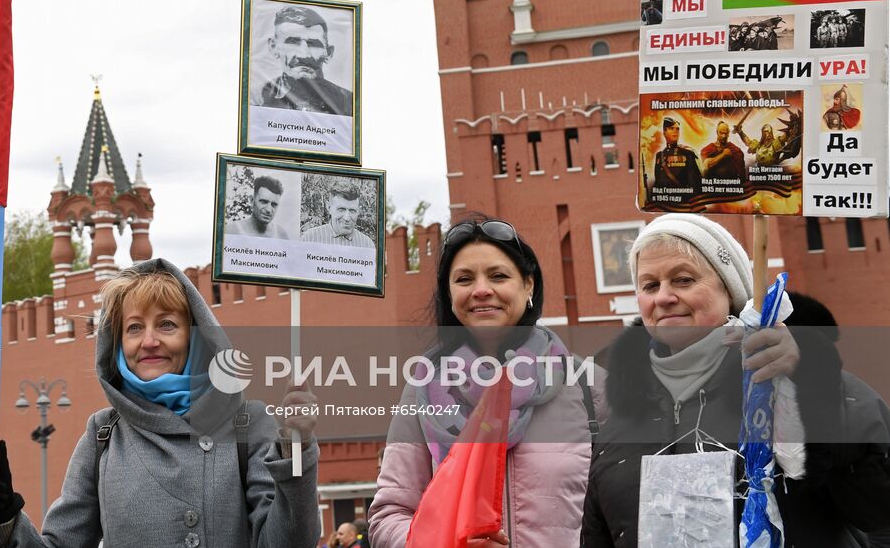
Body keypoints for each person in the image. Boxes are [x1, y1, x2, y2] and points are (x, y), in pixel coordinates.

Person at [0, 258, 321, 548]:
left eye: (166, 325)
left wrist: (296, 447)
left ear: (196, 337)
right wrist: (5, 516)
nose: (149, 341)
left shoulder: (246, 423)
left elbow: (289, 542)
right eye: (134, 328)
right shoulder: (103, 435)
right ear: (118, 343)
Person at [581, 214, 890, 547]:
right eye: (650, 286)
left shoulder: (791, 383)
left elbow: (877, 510)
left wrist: (811, 383)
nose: (663, 297)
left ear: (729, 290)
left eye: (683, 280)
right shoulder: (617, 423)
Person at [370, 218, 604, 547]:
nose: (481, 290)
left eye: (498, 276)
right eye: (464, 279)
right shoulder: (422, 391)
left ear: (529, 285)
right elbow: (389, 515)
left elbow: (622, 509)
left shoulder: (588, 386)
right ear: (449, 294)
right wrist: (444, 544)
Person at [257, 5, 354, 116]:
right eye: (293, 42)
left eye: (314, 44)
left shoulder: (349, 103)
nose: (304, 55)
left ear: (328, 53)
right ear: (273, 47)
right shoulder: (256, 98)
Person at [299, 182, 374, 248]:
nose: (347, 218)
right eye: (341, 209)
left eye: (352, 211)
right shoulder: (310, 238)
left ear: (358, 211)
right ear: (329, 208)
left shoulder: (367, 244)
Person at [227, 174, 290, 240]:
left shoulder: (281, 235)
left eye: (274, 205)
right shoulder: (232, 231)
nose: (268, 210)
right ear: (252, 201)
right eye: (264, 202)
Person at [651, 117, 701, 197]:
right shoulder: (659, 156)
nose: (675, 131)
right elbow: (658, 182)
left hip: (683, 200)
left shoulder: (688, 153)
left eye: (677, 129)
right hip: (665, 200)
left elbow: (695, 183)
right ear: (664, 132)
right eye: (671, 128)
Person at [699, 121, 747, 193]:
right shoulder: (709, 149)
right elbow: (707, 164)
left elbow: (740, 164)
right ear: (717, 132)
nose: (724, 136)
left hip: (731, 186)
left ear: (728, 134)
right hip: (714, 186)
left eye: (725, 133)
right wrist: (723, 155)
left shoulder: (733, 148)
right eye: (721, 133)